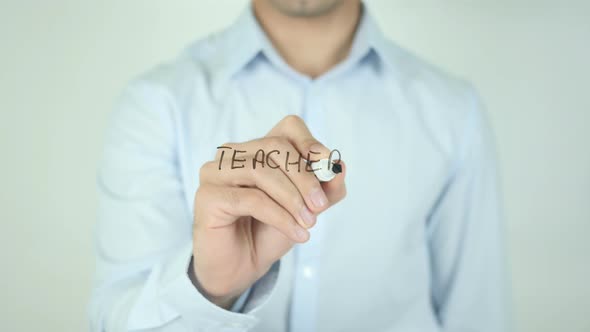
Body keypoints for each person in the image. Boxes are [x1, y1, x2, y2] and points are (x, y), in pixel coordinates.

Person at [89, 0, 511, 331]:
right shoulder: (155, 104)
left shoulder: (455, 113)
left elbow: (477, 318)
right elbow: (113, 321)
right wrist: (209, 289)